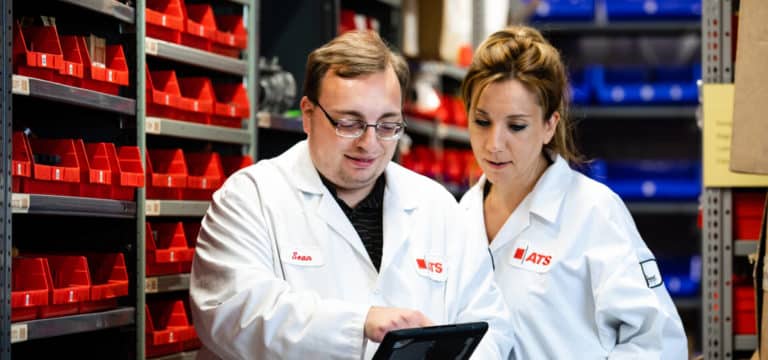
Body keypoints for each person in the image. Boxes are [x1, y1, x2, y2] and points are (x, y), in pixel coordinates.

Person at [190, 30, 513, 359]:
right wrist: (359, 324)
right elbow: (230, 313)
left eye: (387, 126)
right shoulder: (251, 198)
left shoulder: (437, 206)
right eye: (349, 123)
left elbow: (490, 324)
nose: (369, 144)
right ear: (308, 114)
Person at [459, 25, 688, 359]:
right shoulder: (460, 216)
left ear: (550, 125)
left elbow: (660, 344)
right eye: (482, 121)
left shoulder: (593, 212)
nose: (494, 144)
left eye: (516, 126)